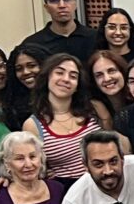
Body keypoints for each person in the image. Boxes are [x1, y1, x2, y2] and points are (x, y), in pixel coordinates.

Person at [26, 54, 105, 184]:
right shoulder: (32, 125)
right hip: (67, 189)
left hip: (105, 181)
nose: (66, 79)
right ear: (47, 77)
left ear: (78, 85)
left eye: (73, 76)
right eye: (59, 73)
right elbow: (34, 167)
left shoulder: (95, 108)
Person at [19, 0, 98, 65]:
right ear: (46, 8)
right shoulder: (33, 44)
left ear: (75, 4)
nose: (62, 5)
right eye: (54, 0)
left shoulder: (96, 38)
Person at [3, 44, 44, 125]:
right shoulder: (13, 104)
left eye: (31, 66)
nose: (25, 72)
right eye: (19, 69)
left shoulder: (58, 95)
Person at [87, 48, 131, 121]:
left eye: (111, 71)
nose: (107, 78)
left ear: (123, 72)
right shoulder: (92, 109)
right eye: (99, 75)